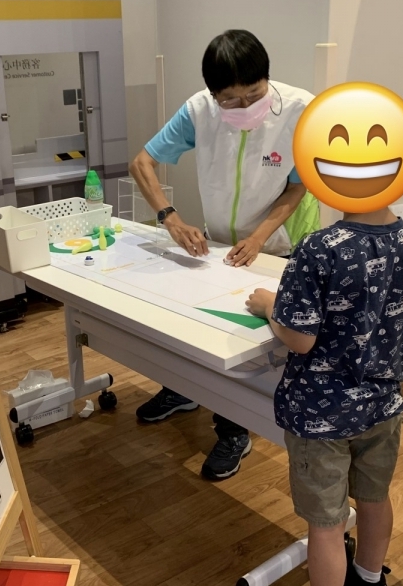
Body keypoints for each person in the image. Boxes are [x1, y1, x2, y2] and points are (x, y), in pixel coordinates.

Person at [128, 29, 320, 480]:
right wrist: (170, 218)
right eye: (230, 99)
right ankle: (184, 389)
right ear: (213, 94)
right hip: (220, 246)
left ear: (267, 79)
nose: (244, 106)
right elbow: (141, 163)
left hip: (281, 246)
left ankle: (234, 429)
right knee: (201, 327)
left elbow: (298, 187)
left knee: (246, 346)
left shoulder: (300, 111)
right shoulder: (199, 111)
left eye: (253, 94)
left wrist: (259, 238)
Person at [245, 208, 403, 585]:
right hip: (383, 404)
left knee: (327, 524)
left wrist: (269, 306)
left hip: (321, 412)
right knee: (374, 498)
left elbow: (300, 338)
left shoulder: (318, 247)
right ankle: (370, 578)